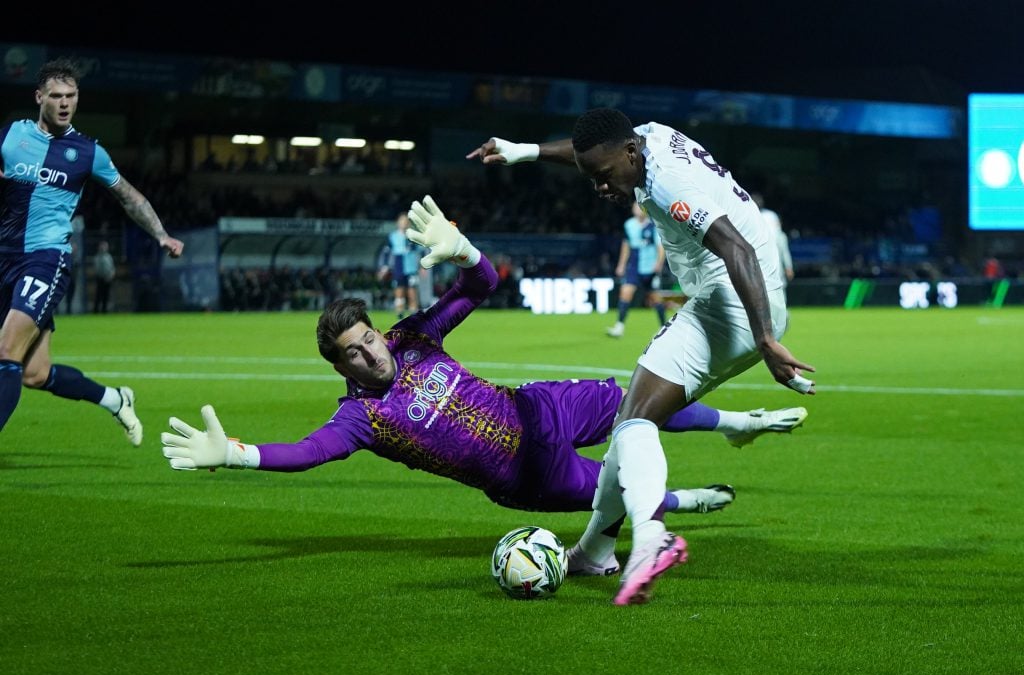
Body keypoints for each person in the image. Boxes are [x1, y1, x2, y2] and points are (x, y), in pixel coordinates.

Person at [161, 196, 808, 550]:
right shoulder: (361, 418)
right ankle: (686, 500)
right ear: (340, 366)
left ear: (378, 330)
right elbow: (306, 452)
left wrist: (462, 247)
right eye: (352, 355)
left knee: (638, 400)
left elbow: (483, 282)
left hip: (539, 407)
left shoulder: (413, 337)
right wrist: (238, 454)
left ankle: (734, 421)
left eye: (366, 339)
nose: (368, 354)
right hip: (526, 474)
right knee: (616, 495)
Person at [468, 108, 816, 605]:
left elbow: (735, 248)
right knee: (630, 427)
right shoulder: (641, 139)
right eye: (593, 179)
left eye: (605, 178)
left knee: (633, 423)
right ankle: (594, 551)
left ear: (630, 155)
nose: (601, 188)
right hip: (739, 298)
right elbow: (588, 150)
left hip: (733, 300)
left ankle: (651, 539)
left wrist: (766, 341)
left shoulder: (668, 184)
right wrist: (527, 151)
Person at [0, 58, 185, 441]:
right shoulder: (10, 137)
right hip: (5, 258)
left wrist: (160, 234)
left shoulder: (87, 152)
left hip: (46, 259)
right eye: (56, 96)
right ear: (39, 98)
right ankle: (115, 399)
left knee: (5, 352)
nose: (65, 103)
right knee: (34, 373)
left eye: (71, 96)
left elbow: (128, 196)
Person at [607, 202, 667, 338]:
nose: (636, 209)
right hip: (634, 267)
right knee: (625, 292)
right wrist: (621, 264)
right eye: (634, 207)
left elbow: (660, 247)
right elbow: (626, 244)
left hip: (649, 268)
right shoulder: (629, 225)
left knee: (655, 298)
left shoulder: (653, 226)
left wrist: (659, 263)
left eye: (639, 207)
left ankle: (664, 327)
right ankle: (619, 327)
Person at [377, 212, 421, 319]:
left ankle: (413, 315)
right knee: (399, 291)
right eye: (402, 221)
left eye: (406, 221)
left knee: (412, 292)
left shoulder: (413, 236)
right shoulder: (392, 236)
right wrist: (384, 267)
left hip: (411, 268)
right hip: (398, 265)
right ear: (398, 223)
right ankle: (400, 314)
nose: (404, 223)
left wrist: (422, 266)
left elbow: (421, 251)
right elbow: (386, 252)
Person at [752, 193, 794, 287]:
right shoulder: (751, 215)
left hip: (771, 257)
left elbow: (781, 243)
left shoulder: (770, 215)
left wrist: (788, 267)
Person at [92, 240, 116, 313]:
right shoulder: (97, 257)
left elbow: (112, 267)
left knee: (106, 295)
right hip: (100, 279)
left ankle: (104, 310)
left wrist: (111, 275)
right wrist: (102, 276)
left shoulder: (109, 257)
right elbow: (97, 268)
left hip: (108, 279)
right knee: (98, 295)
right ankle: (96, 310)